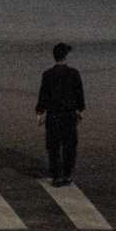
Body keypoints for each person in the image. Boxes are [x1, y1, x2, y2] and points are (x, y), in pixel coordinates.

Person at [35, 43, 84, 186]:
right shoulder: (74, 74)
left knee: (53, 147)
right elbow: (79, 94)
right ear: (66, 57)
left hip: (54, 115)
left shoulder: (48, 75)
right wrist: (80, 110)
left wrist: (40, 112)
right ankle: (67, 174)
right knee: (69, 146)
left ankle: (56, 176)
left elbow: (43, 95)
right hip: (69, 115)